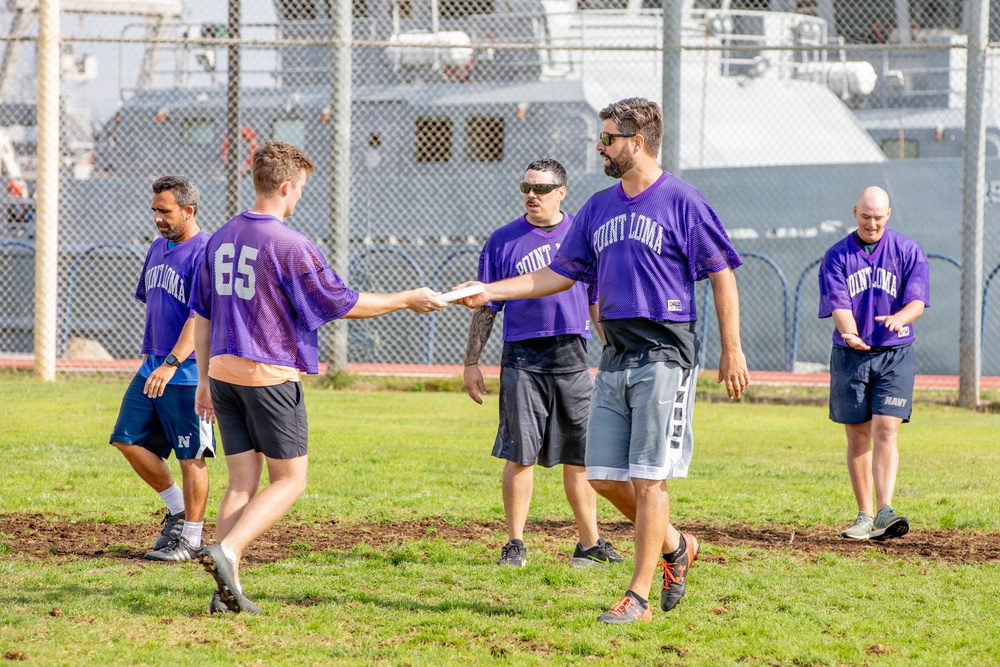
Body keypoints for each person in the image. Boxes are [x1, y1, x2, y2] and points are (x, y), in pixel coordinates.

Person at [458, 98, 749, 624]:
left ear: (636, 143)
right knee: (600, 475)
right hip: (614, 355)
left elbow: (722, 272)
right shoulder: (597, 207)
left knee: (648, 479)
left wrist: (732, 347)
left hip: (665, 351)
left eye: (609, 137)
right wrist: (489, 290)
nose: (600, 145)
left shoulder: (682, 200)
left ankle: (637, 596)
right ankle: (677, 543)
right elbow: (557, 274)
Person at [190, 141, 447, 614]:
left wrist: (204, 378)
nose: (300, 197)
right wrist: (407, 297)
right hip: (269, 375)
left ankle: (225, 593)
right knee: (290, 480)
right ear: (286, 186)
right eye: (301, 189)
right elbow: (342, 303)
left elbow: (202, 316)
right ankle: (226, 551)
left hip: (222, 373)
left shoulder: (220, 236)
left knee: (242, 483)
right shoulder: (290, 244)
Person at [463, 158, 623, 569]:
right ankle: (515, 544)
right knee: (520, 454)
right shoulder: (502, 240)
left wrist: (616, 350)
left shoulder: (581, 235)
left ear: (562, 191)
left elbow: (595, 301)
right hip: (521, 357)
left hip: (572, 357)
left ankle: (588, 544)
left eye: (542, 188)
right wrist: (471, 363)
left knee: (580, 456)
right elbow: (487, 306)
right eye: (526, 187)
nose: (532, 195)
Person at [110, 175, 214, 562]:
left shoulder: (206, 251)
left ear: (189, 210)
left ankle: (191, 539)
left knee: (192, 456)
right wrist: (159, 360)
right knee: (126, 438)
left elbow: (199, 316)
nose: (157, 218)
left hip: (186, 372)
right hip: (151, 365)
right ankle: (178, 511)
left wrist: (172, 362)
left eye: (165, 211)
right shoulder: (157, 247)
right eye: (154, 210)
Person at [818, 186, 929, 541]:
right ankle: (864, 515)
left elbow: (918, 301)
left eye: (878, 218)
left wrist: (901, 318)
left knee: (886, 428)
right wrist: (849, 333)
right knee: (858, 434)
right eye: (865, 217)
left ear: (889, 215)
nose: (872, 224)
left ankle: (885, 510)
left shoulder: (907, 251)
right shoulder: (837, 255)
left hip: (895, 354)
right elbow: (838, 303)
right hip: (852, 355)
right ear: (855, 213)